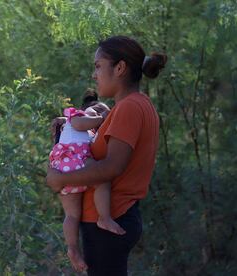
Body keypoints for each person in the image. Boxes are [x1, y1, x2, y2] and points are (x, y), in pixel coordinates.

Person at [47, 35, 167, 275]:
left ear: (120, 68)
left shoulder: (129, 107)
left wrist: (60, 180)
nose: (94, 75)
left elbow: (112, 166)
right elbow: (100, 148)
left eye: (98, 66)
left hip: (109, 221)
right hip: (114, 218)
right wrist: (70, 129)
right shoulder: (132, 106)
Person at [49, 90, 125, 272]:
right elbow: (79, 122)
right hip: (75, 163)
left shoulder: (88, 133)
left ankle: (73, 248)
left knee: (71, 215)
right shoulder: (79, 115)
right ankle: (104, 217)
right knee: (102, 181)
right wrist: (100, 118)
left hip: (66, 169)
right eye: (101, 111)